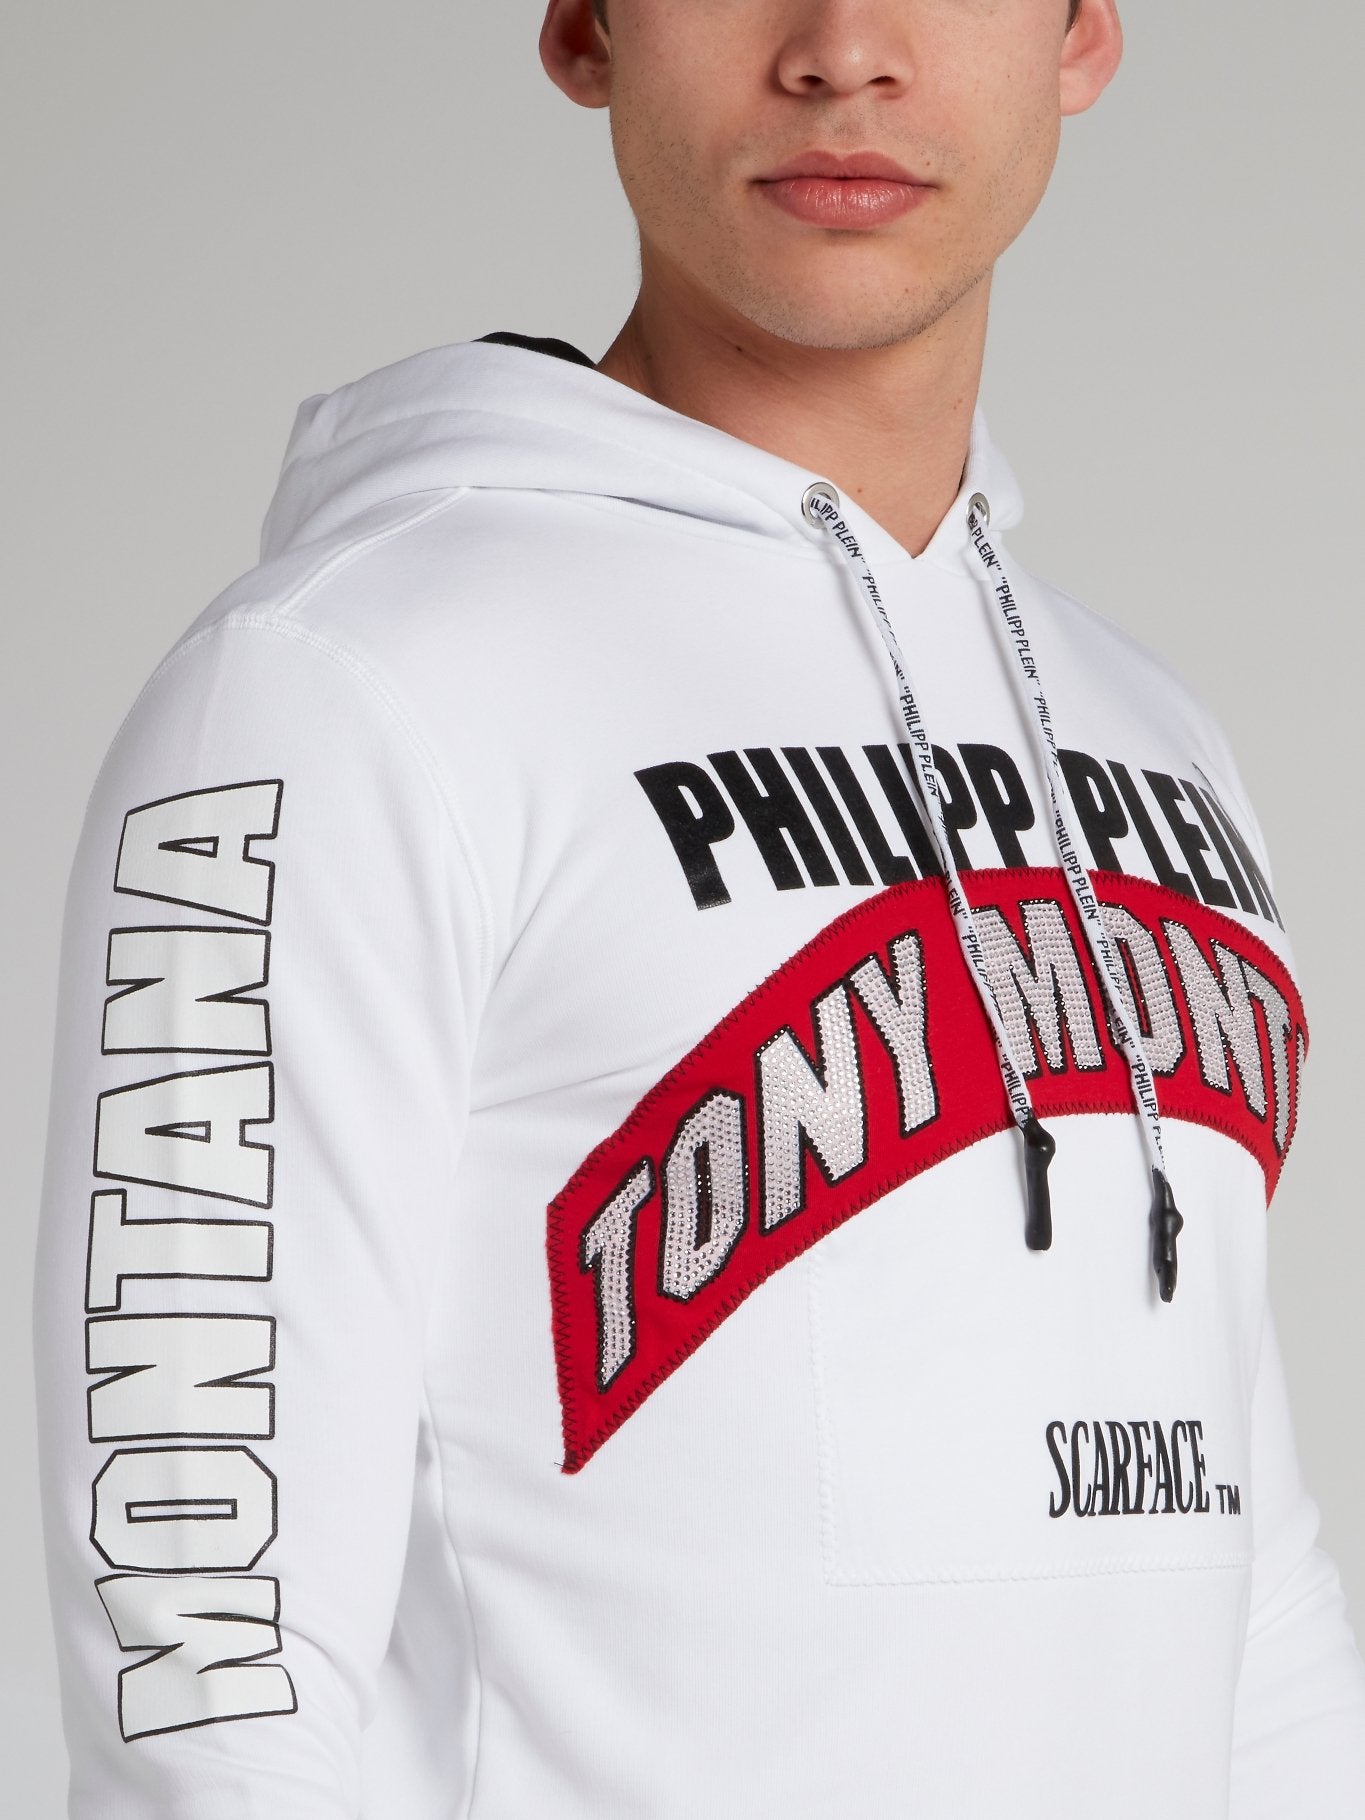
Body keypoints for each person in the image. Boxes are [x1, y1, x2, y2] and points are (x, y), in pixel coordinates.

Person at [33, 0, 1365, 1813]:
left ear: (1078, 35)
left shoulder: (1149, 737)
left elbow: (1244, 1592)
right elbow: (206, 1648)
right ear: (586, 28)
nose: (842, 49)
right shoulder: (344, 685)